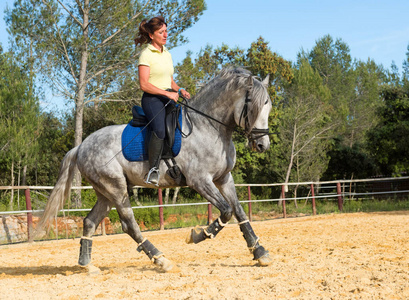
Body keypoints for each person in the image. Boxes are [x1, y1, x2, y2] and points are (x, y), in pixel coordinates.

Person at [135, 16, 190, 185]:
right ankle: (153, 169)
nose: (165, 35)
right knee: (160, 129)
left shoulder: (167, 53)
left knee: (180, 126)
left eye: (166, 31)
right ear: (152, 35)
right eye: (161, 32)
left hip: (169, 96)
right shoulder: (146, 54)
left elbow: (169, 81)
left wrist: (179, 89)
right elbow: (144, 84)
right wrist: (167, 94)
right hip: (152, 99)